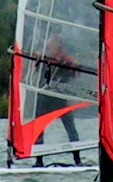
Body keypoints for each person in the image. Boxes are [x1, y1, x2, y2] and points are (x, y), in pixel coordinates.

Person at [32, 34, 85, 167]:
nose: (48, 45)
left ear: (58, 45)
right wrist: (37, 58)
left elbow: (76, 70)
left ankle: (77, 160)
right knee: (39, 128)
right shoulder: (44, 57)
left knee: (70, 128)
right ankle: (39, 161)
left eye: (51, 43)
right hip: (45, 97)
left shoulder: (66, 59)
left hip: (60, 99)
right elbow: (36, 65)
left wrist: (74, 66)